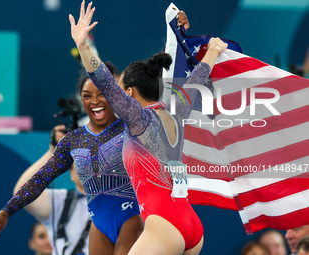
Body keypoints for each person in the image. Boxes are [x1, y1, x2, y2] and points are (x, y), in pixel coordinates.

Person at [68, 2, 227, 254]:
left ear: (129, 93)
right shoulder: (178, 109)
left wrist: (83, 45)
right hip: (191, 225)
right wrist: (214, 51)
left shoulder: (137, 118)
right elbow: (197, 78)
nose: (115, 95)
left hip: (164, 225)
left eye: (121, 89)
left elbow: (103, 80)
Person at [0, 61, 144, 255]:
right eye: (87, 96)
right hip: (99, 225)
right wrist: (6, 211)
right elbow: (41, 179)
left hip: (131, 217)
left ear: (114, 96)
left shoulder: (132, 128)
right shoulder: (73, 141)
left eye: (102, 94)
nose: (94, 101)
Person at [12, 124, 90, 255]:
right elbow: (22, 194)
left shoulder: (119, 200)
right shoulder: (61, 200)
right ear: (71, 174)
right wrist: (53, 152)